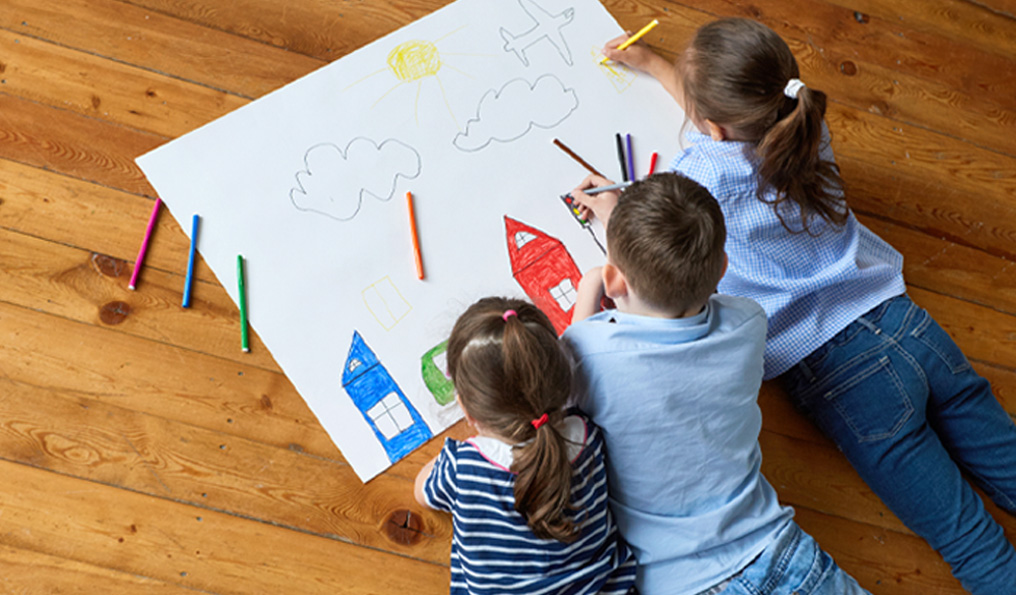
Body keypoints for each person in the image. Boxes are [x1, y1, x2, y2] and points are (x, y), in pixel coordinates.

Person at [576, 17, 1016, 594]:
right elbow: (736, 119)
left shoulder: (702, 175)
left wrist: (614, 215)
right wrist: (660, 66)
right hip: (906, 323)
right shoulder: (805, 124)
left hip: (842, 375)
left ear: (708, 125)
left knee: (970, 541)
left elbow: (666, 227)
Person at [564, 172, 870, 595]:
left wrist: (589, 287)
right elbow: (681, 288)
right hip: (780, 552)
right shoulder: (747, 321)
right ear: (723, 268)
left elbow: (562, 369)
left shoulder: (586, 353)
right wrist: (636, 239)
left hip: (684, 584)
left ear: (614, 280)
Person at [414, 297, 637, 595]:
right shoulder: (589, 438)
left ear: (466, 410)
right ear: (564, 382)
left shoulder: (463, 467)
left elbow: (421, 491)